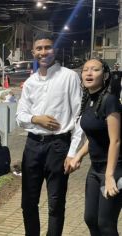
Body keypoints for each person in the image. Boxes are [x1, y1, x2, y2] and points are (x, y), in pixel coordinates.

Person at [16, 32, 84, 236]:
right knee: (28, 202)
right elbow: (20, 115)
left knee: (55, 203)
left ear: (55, 50)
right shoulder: (30, 82)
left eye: (48, 47)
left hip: (58, 147)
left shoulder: (69, 77)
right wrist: (36, 119)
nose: (43, 52)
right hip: (33, 145)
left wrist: (72, 153)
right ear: (33, 51)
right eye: (39, 48)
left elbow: (78, 116)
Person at [66, 58, 122, 236]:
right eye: (85, 70)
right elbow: (95, 137)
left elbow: (115, 140)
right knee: (90, 219)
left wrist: (110, 175)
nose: (89, 73)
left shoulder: (110, 101)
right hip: (95, 168)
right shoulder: (89, 100)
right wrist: (78, 156)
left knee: (105, 223)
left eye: (95, 70)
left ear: (105, 75)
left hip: (115, 169)